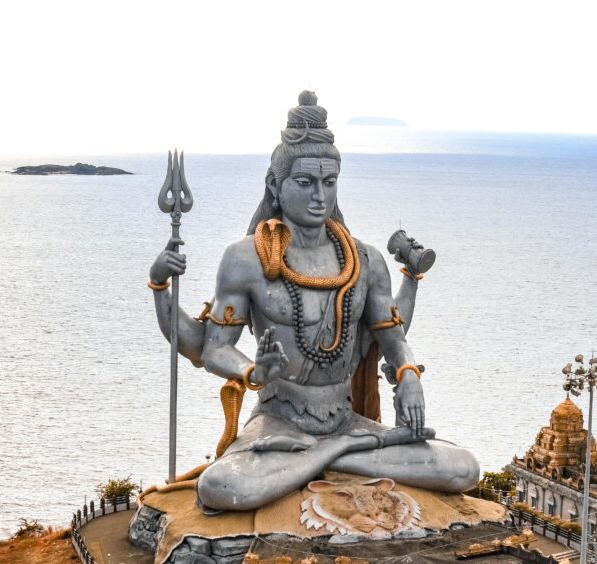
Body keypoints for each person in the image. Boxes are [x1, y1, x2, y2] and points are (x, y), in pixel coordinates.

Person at [147, 91, 480, 513]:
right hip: (279, 422)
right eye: (305, 183)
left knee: (462, 468)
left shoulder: (365, 259)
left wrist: (409, 374)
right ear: (276, 184)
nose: (319, 195)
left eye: (329, 182)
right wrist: (251, 369)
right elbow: (212, 348)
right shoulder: (245, 258)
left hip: (345, 418)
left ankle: (328, 454)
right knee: (221, 486)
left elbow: (393, 339)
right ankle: (343, 455)